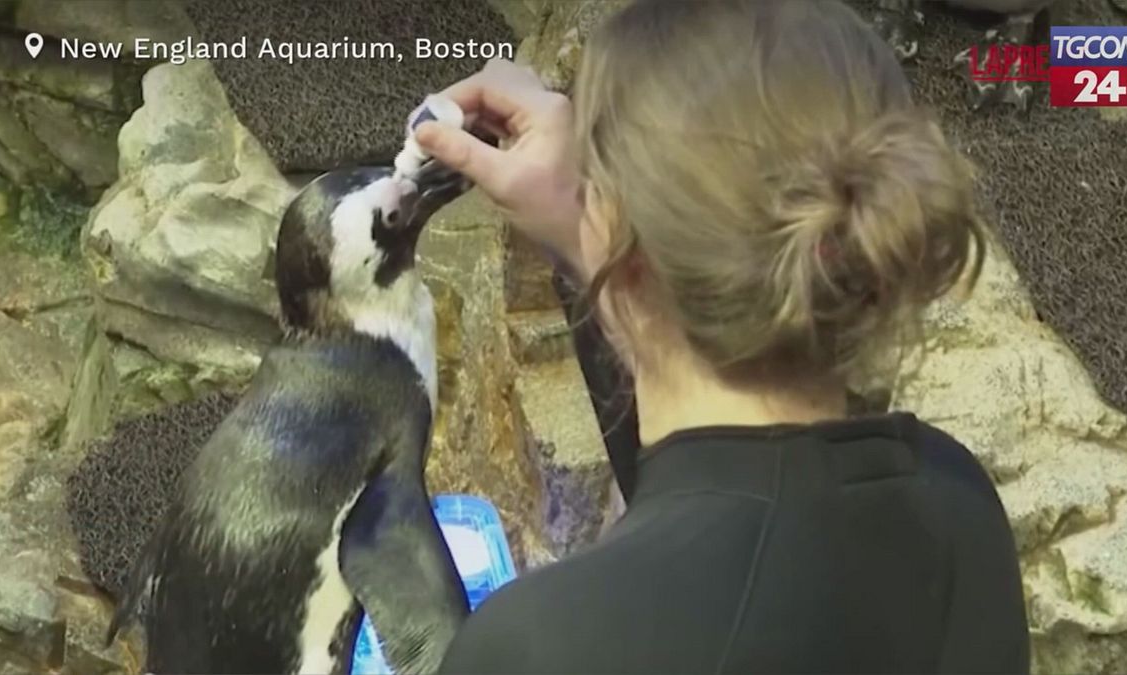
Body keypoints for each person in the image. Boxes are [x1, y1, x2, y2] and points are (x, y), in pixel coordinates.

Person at [414, 0, 1030, 672]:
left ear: (620, 231)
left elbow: (707, 535)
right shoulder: (957, 504)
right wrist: (592, 229)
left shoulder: (536, 644)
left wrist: (593, 240)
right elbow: (728, 524)